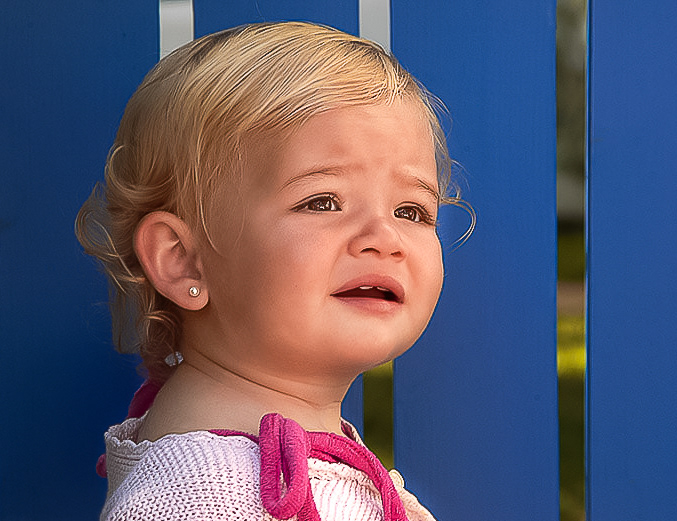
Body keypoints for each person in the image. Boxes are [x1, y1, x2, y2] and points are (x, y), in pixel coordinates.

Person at [76, 21, 469, 521]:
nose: (385, 238)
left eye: (411, 211)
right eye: (322, 202)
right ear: (183, 259)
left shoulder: (265, 469)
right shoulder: (202, 500)